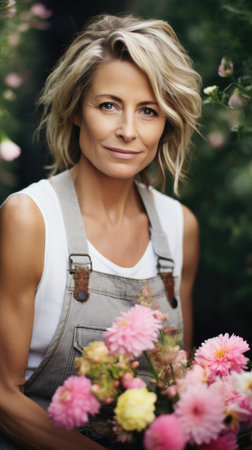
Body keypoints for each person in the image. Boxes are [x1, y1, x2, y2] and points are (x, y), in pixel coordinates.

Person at [0, 13, 201, 449]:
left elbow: (177, 387)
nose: (128, 131)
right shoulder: (29, 218)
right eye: (108, 105)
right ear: (75, 110)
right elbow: (3, 396)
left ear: (167, 124)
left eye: (148, 111)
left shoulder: (179, 227)